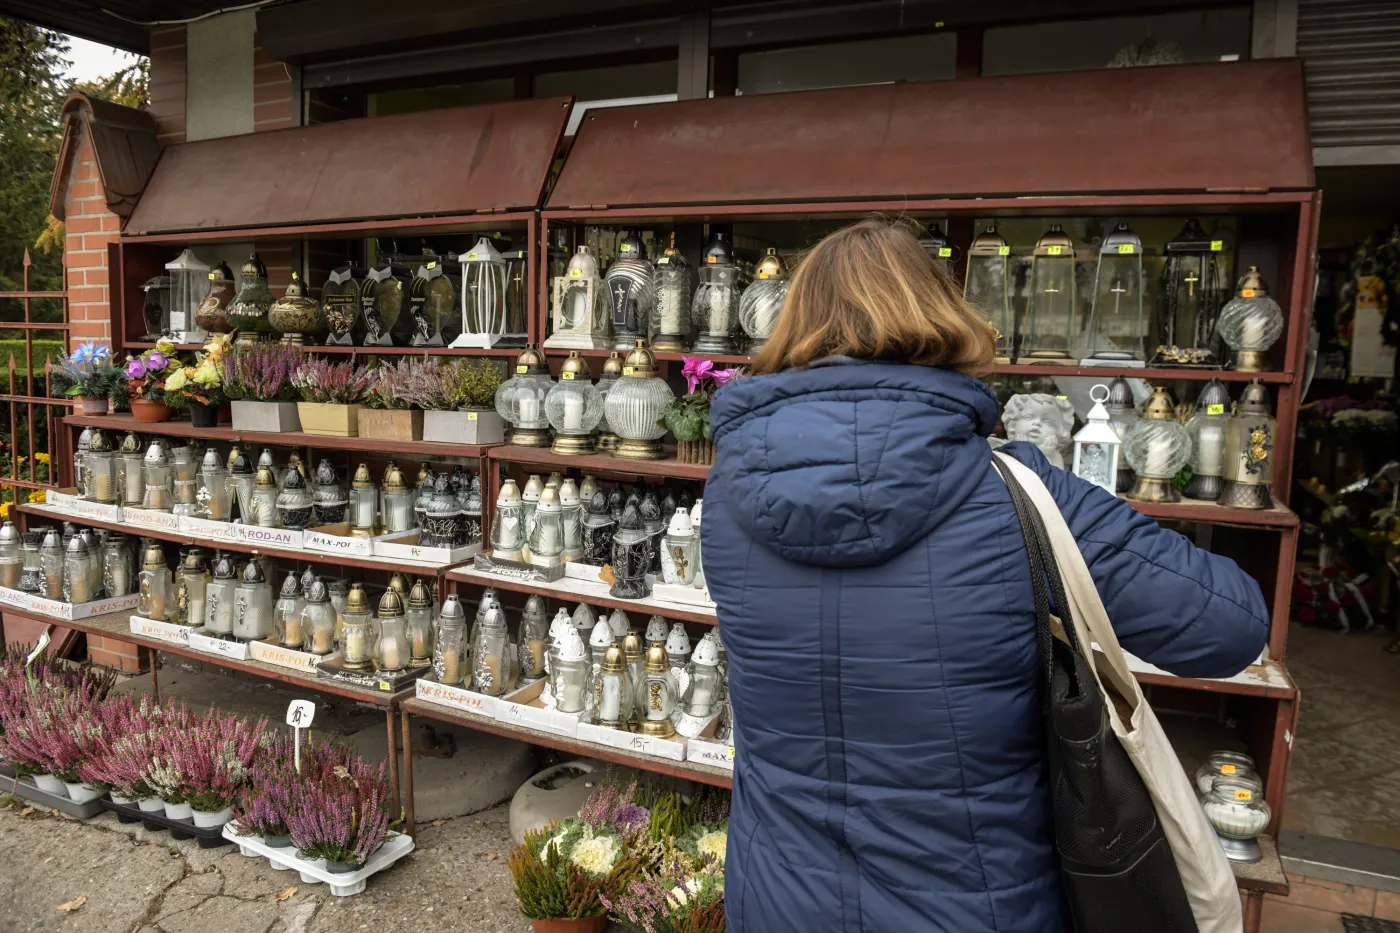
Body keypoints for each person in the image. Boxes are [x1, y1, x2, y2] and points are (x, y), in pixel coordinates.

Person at [701, 217, 1269, 933]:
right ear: (941, 319)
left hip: (780, 904)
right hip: (978, 907)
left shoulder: (726, 499)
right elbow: (1233, 626)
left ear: (794, 328)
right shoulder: (1018, 492)